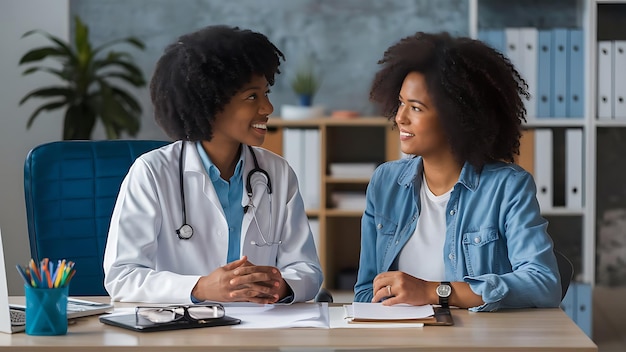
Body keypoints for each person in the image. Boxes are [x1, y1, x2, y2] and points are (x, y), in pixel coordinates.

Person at [103, 25, 323, 304]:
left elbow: (307, 270)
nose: (268, 108)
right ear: (210, 103)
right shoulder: (151, 172)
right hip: (181, 334)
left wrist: (282, 286)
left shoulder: (277, 173)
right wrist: (199, 288)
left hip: (260, 332)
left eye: (266, 93)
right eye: (252, 97)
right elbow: (122, 276)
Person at [354, 31, 561, 312]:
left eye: (415, 108)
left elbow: (543, 283)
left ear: (457, 118)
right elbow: (367, 291)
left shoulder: (507, 187)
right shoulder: (385, 182)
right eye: (401, 103)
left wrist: (432, 292)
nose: (400, 117)